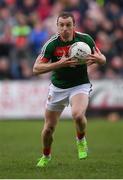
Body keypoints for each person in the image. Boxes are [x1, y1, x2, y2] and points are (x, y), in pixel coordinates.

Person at [33, 11, 106, 168]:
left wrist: (101, 60)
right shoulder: (51, 44)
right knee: (48, 129)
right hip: (58, 88)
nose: (65, 28)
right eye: (61, 25)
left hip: (80, 85)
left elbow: (101, 58)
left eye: (68, 25)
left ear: (74, 26)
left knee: (78, 115)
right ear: (57, 27)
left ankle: (80, 140)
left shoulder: (85, 40)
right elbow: (36, 69)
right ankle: (46, 156)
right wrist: (59, 64)